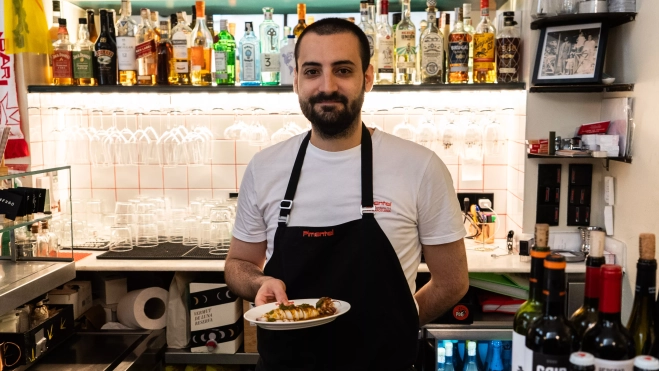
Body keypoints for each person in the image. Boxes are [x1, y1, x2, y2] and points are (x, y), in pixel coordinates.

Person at [224, 18, 469, 371]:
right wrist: (259, 282)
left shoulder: (420, 167)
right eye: (311, 71)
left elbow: (453, 281)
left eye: (342, 70)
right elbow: (237, 265)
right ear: (295, 81)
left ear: (367, 78)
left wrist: (400, 319)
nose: (327, 86)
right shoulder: (265, 167)